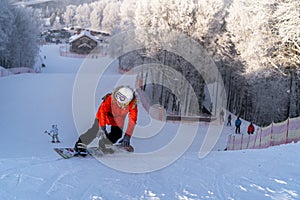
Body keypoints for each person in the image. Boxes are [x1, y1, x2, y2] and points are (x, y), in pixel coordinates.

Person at [74, 86, 138, 154]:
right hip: (104, 116)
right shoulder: (110, 98)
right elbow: (102, 112)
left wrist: (127, 136)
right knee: (95, 130)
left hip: (118, 119)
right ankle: (81, 143)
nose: (117, 102)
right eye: (117, 97)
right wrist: (102, 128)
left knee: (117, 134)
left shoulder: (132, 105)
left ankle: (105, 143)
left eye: (121, 101)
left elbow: (132, 120)